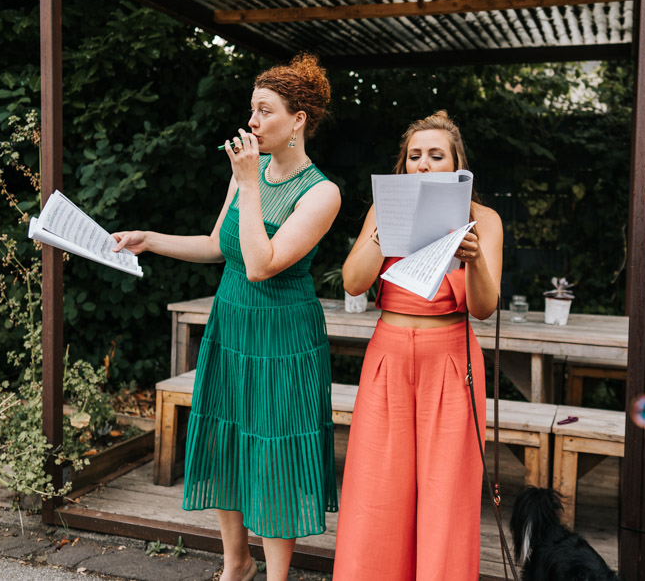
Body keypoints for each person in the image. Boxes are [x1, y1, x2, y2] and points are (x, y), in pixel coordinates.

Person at [111, 53, 341, 581]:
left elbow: (262, 264)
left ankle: (278, 576)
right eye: (251, 109)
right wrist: (148, 240)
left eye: (264, 111)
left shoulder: (321, 192)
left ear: (298, 119)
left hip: (284, 333)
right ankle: (235, 563)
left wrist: (251, 184)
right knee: (229, 437)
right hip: (232, 322)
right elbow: (220, 245)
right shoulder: (249, 171)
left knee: (276, 451)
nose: (252, 122)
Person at [332, 110, 503, 580]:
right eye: (414, 156)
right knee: (378, 486)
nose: (423, 164)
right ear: (403, 165)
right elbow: (353, 282)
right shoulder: (381, 211)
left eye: (435, 155)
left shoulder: (484, 220)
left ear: (456, 164)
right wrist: (381, 232)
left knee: (446, 492)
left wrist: (476, 260)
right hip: (388, 355)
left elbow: (485, 307)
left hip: (450, 358)